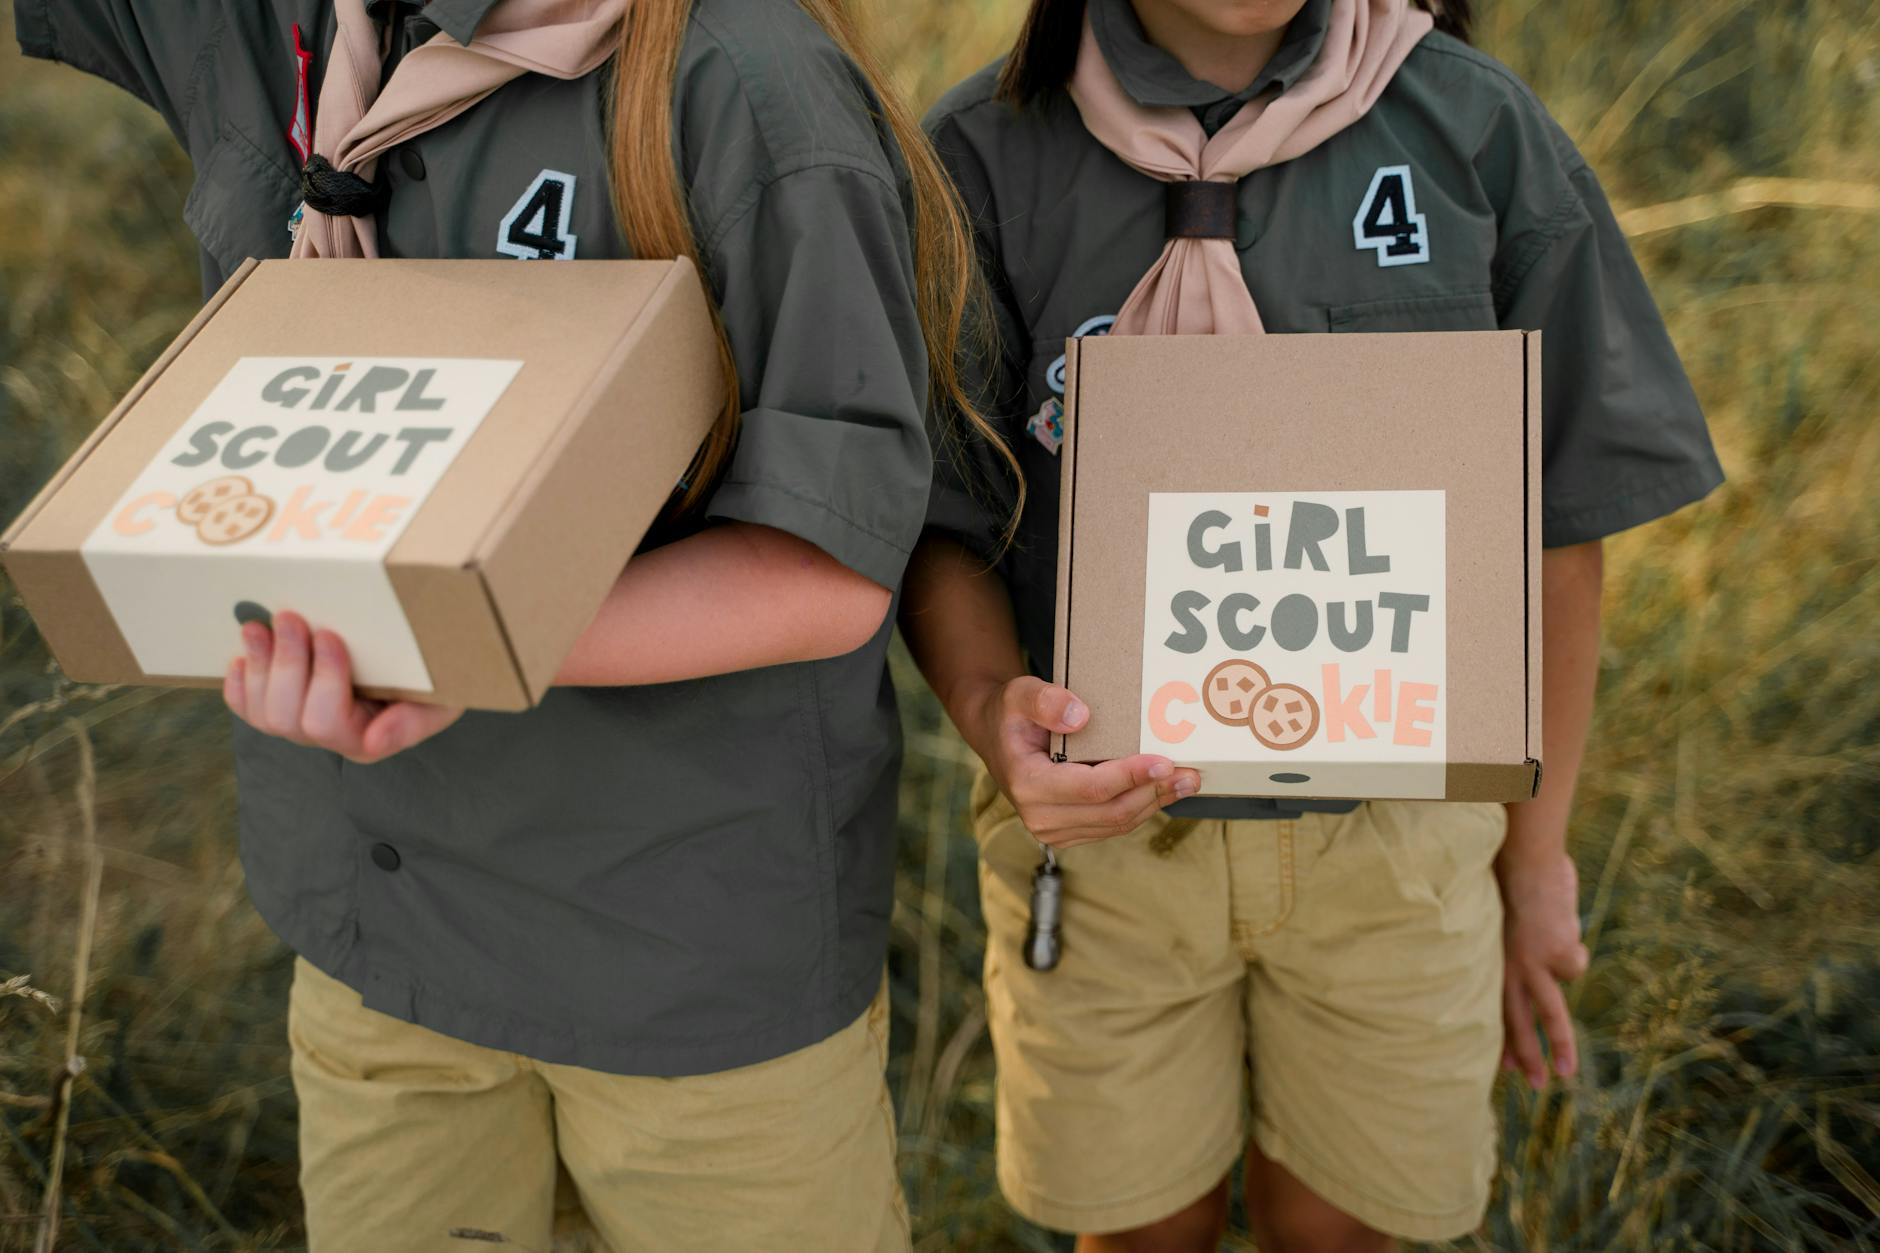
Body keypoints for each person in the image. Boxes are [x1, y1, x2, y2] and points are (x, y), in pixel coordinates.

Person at [15, 0, 991, 1247]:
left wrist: (444, 630)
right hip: (384, 952)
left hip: (682, 966)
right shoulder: (271, 32)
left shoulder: (746, 84)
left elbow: (826, 566)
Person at [902, 0, 1724, 1248]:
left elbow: (1556, 526)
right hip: (1105, 842)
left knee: (1345, 1229)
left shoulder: (1472, 131)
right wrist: (985, 713)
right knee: (1129, 1228)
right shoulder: (979, 153)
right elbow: (944, 517)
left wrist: (1533, 855)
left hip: (1395, 849)